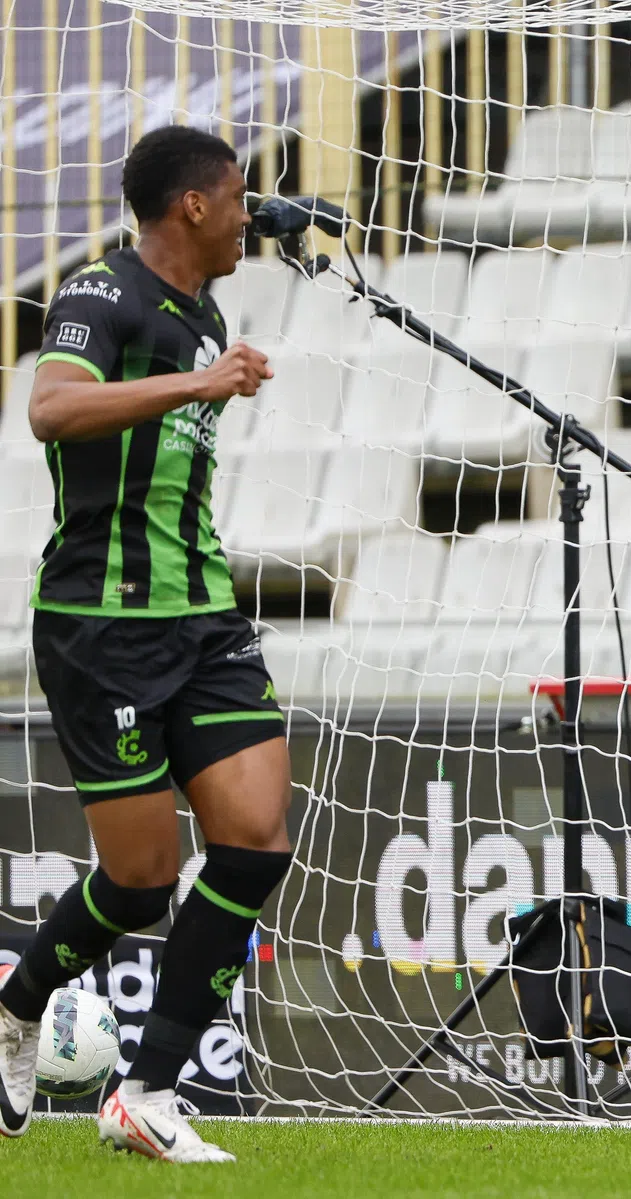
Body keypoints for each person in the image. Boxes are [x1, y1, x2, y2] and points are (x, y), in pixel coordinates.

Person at [0, 124, 287, 1163]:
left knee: (257, 835)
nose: (250, 213)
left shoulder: (205, 308)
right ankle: (17, 999)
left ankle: (149, 1085)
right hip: (101, 626)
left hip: (204, 615)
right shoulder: (97, 293)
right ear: (192, 207)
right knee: (139, 880)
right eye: (241, 197)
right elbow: (51, 407)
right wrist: (196, 386)